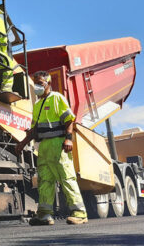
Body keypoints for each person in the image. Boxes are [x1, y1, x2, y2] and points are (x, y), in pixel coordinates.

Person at [15, 71, 88, 225]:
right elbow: (34, 130)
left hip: (58, 144)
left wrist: (69, 139)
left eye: (40, 83)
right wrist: (22, 143)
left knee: (66, 178)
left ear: (48, 84)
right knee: (44, 181)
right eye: (35, 83)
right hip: (44, 147)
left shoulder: (57, 98)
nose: (37, 87)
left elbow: (69, 120)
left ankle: (79, 213)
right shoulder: (37, 105)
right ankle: (44, 215)